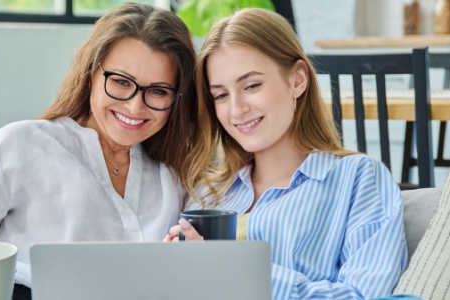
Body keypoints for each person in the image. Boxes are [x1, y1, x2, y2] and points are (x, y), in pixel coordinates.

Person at [0, 3, 200, 299]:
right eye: (121, 82)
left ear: (177, 98)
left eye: (158, 91)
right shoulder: (21, 145)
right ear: (91, 73)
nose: (135, 107)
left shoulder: (177, 175)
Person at [165, 8, 408, 300]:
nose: (236, 109)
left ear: (297, 80)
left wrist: (232, 269)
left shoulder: (357, 179)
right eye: (221, 95)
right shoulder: (208, 193)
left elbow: (366, 296)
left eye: (252, 85)